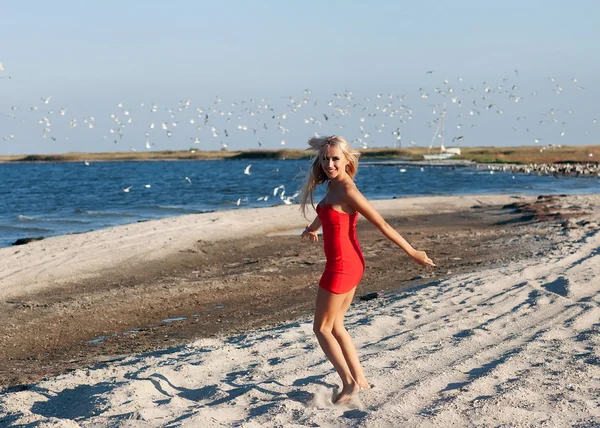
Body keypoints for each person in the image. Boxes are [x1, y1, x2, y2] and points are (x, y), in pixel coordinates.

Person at [299, 135, 436, 404]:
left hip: (343, 266)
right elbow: (327, 210)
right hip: (347, 263)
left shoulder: (348, 190)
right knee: (336, 326)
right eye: (325, 159)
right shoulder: (332, 187)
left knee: (322, 329)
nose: (329, 164)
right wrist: (313, 228)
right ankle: (360, 380)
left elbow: (382, 224)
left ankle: (348, 384)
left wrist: (413, 252)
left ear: (347, 160)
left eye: (335, 159)